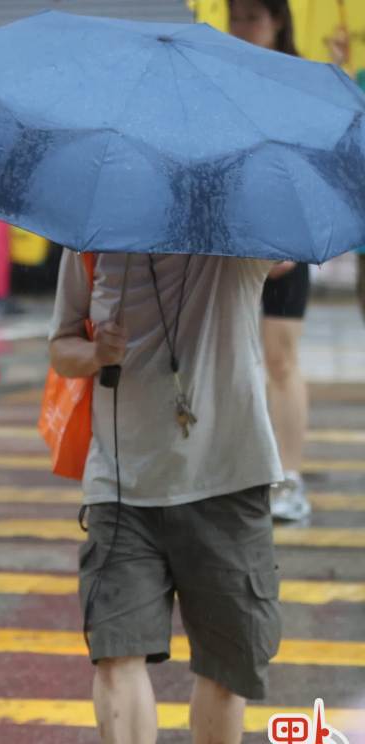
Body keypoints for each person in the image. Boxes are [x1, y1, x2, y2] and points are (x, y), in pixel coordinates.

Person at [49, 250, 284, 744]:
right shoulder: (92, 239)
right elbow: (61, 347)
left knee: (226, 664)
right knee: (116, 651)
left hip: (229, 481)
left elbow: (286, 252)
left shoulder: (235, 239)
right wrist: (94, 353)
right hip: (121, 487)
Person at [229, 0, 312, 521]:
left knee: (280, 360)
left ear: (278, 20)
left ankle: (290, 478)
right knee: (231, 362)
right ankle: (240, 475)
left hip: (284, 238)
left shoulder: (299, 82)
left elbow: (311, 167)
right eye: (235, 16)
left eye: (252, 17)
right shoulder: (220, 76)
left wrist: (289, 241)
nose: (241, 27)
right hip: (230, 241)